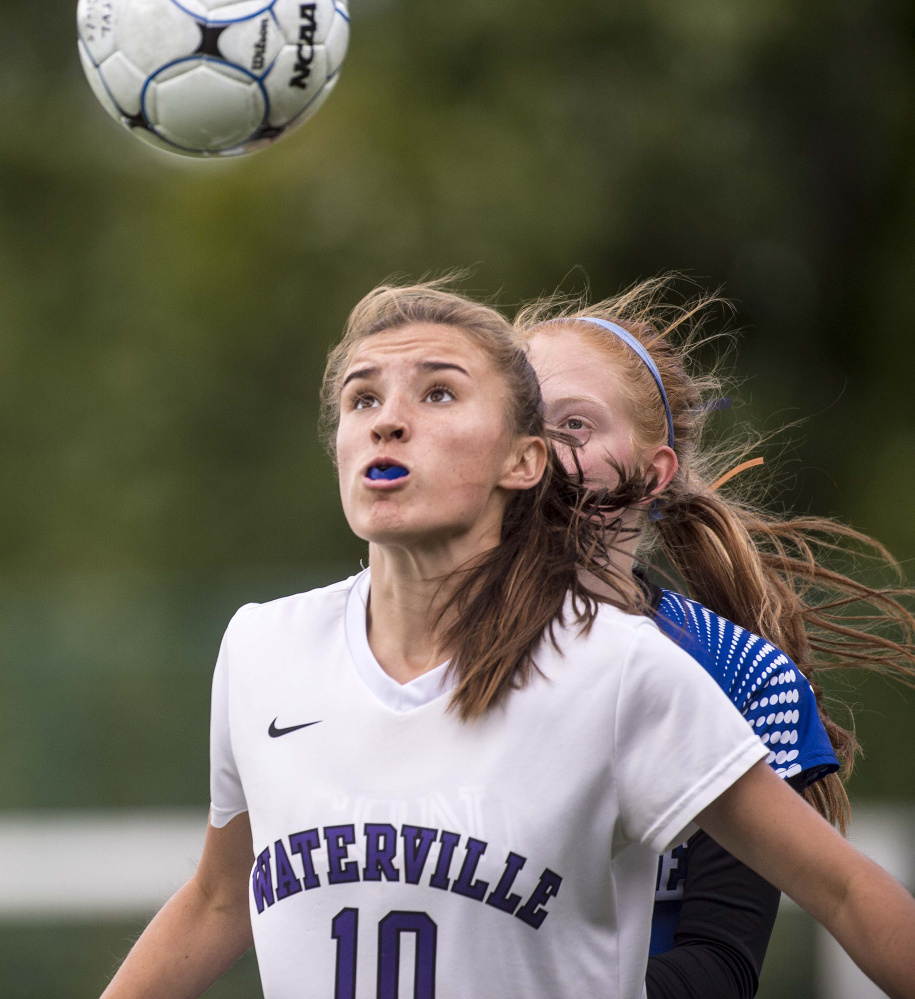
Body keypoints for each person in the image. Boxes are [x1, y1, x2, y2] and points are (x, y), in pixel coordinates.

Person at [99, 282, 915, 999]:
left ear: (516, 459)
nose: (388, 421)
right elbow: (217, 897)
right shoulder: (262, 647)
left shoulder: (631, 670)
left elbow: (834, 896)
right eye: (361, 399)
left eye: (440, 394)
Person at [518, 275, 915, 997]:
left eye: (574, 424)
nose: (543, 448)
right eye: (522, 422)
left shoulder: (733, 671)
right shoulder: (408, 647)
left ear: (653, 470)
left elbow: (722, 960)